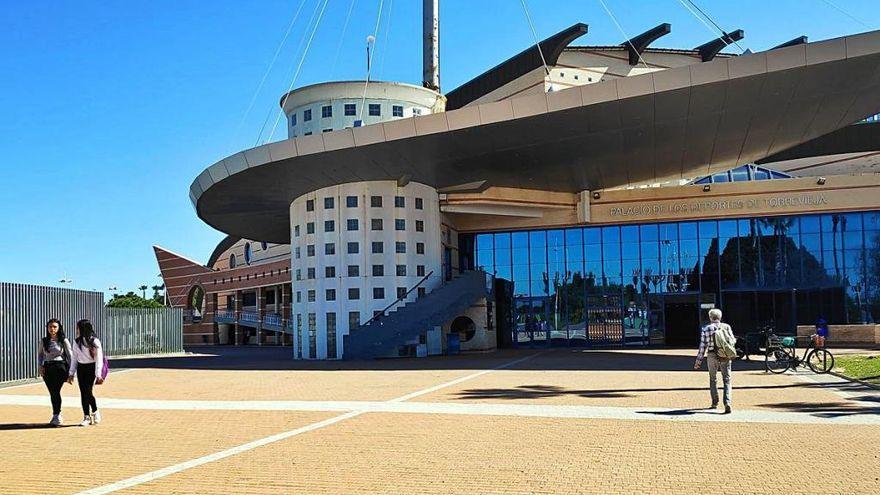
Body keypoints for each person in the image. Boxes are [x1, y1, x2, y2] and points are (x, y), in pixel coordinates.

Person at [694, 308, 736, 414]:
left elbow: (702, 346)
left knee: (713, 379)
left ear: (710, 317)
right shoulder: (726, 327)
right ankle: (727, 403)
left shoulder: (706, 328)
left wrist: (698, 361)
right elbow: (733, 341)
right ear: (720, 317)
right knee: (727, 380)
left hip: (712, 355)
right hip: (725, 355)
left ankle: (714, 402)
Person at [67, 319, 104, 426]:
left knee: (88, 391)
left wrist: (98, 374)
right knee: (83, 392)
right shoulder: (77, 342)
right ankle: (86, 416)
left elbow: (99, 359)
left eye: (78, 328)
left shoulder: (95, 341)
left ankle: (95, 411)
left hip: (91, 367)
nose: (76, 330)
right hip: (81, 368)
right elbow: (74, 358)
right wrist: (71, 373)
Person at [37, 318, 73, 426]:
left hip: (60, 367)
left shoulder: (63, 340)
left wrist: (71, 372)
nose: (52, 329)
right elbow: (40, 355)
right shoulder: (44, 341)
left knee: (55, 391)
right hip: (48, 367)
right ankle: (56, 415)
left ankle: (56, 415)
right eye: (50, 327)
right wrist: (40, 366)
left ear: (58, 328)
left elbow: (70, 355)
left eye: (54, 327)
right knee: (52, 392)